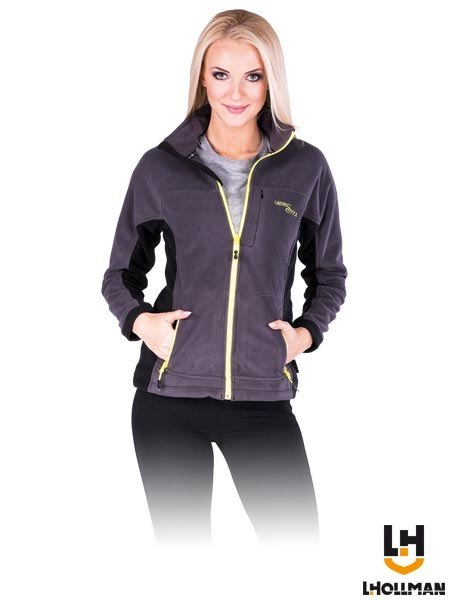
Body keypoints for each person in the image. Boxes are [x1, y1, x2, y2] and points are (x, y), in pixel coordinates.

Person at [101, 8, 348, 547]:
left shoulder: (305, 168)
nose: (236, 93)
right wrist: (143, 323)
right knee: (187, 562)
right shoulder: (160, 167)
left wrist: (304, 335)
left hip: (263, 399)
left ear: (270, 81)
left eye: (252, 76)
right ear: (202, 80)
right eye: (221, 75)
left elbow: (329, 274)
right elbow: (119, 275)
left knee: (298, 552)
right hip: (168, 398)